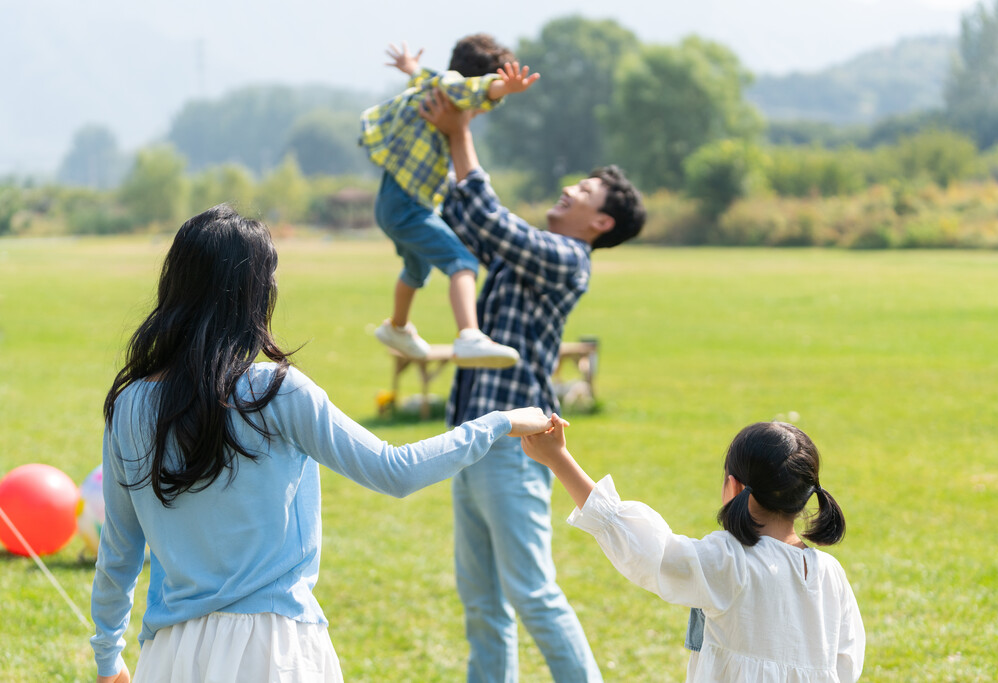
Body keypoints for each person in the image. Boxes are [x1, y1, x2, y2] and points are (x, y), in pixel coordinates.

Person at [89, 204, 559, 683]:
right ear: (255, 293)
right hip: (276, 650)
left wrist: (108, 658)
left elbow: (119, 552)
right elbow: (394, 471)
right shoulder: (276, 389)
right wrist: (498, 423)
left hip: (171, 655)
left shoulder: (129, 403)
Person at [419, 90, 646, 682]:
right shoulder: (533, 257)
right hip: (471, 440)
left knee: (533, 595)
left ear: (600, 223)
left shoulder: (568, 259)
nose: (569, 188)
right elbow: (473, 221)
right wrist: (449, 131)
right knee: (483, 604)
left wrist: (460, 131)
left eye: (586, 191)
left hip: (512, 449)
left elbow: (492, 224)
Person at [521, 418, 866, 682]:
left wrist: (559, 459)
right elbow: (846, 663)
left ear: (734, 487)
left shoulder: (731, 561)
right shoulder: (830, 572)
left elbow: (650, 550)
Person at [359, 36, 539, 367]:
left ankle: (397, 328)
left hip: (395, 203)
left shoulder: (434, 84)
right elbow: (479, 90)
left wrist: (409, 64)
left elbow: (418, 74)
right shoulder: (454, 89)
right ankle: (469, 335)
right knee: (463, 262)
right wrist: (504, 87)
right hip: (407, 205)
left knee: (416, 268)